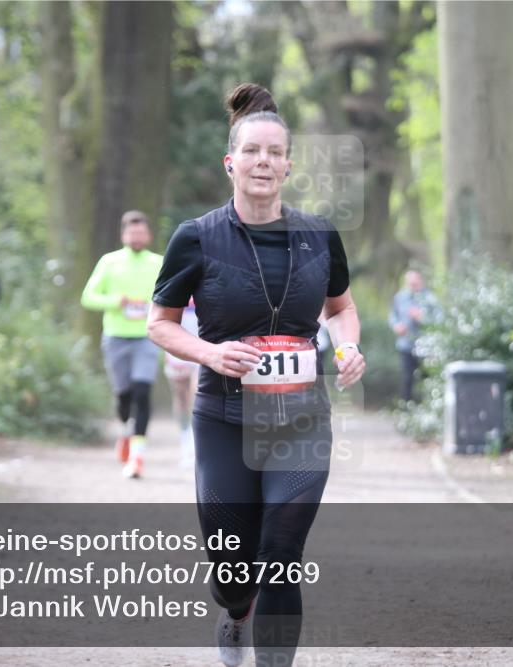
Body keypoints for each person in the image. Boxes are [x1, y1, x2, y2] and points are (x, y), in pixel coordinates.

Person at [147, 83, 365, 667]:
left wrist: (347, 349)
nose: (262, 161)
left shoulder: (320, 235)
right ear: (231, 163)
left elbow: (341, 309)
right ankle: (235, 611)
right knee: (232, 569)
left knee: (281, 552)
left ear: (288, 165)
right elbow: (159, 325)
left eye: (273, 152)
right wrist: (209, 354)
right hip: (224, 417)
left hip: (300, 418)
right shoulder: (196, 237)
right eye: (251, 151)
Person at [81, 211, 164, 479]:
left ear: (148, 236)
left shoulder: (159, 263)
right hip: (116, 336)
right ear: (123, 235)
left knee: (142, 391)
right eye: (132, 233)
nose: (136, 238)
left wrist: (155, 306)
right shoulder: (110, 262)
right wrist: (117, 301)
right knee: (123, 396)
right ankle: (126, 432)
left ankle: (137, 456)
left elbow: (173, 294)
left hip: (147, 336)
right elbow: (89, 297)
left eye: (141, 233)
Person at [389, 269, 439, 402]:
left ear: (420, 282)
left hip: (425, 346)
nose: (412, 286)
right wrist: (396, 326)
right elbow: (393, 316)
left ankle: (425, 408)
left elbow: (439, 320)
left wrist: (422, 318)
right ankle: (406, 408)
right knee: (407, 378)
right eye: (410, 284)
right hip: (405, 345)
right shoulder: (400, 297)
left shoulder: (430, 299)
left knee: (425, 379)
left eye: (415, 283)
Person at [162, 297, 200, 468]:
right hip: (177, 343)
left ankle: (195, 445)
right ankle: (185, 440)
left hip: (204, 341)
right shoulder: (174, 274)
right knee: (180, 398)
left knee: (197, 394)